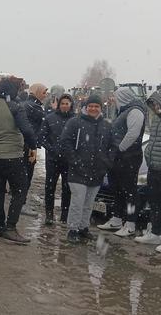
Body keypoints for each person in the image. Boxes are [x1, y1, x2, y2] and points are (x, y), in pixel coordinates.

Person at [0, 79, 37, 243]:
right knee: (20, 189)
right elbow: (27, 130)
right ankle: (11, 227)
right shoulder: (15, 107)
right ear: (13, 92)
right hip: (12, 156)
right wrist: (33, 146)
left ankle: (0, 227)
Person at [60, 95, 113, 243]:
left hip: (97, 172)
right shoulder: (75, 122)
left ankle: (83, 227)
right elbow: (65, 142)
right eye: (91, 106)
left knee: (89, 203)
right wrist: (75, 161)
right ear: (85, 107)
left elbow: (112, 146)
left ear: (101, 108)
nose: (93, 109)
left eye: (96, 106)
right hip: (78, 171)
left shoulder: (106, 126)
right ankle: (72, 229)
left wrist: (107, 163)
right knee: (77, 201)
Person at [97, 88, 146, 236]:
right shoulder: (123, 111)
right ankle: (117, 219)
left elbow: (133, 134)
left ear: (123, 97)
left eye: (116, 97)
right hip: (118, 158)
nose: (114, 100)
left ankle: (130, 224)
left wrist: (119, 148)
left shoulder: (135, 111)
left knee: (129, 191)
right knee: (117, 189)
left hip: (129, 157)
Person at [39, 94, 74, 225]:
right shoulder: (50, 118)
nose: (65, 106)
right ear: (59, 105)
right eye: (62, 103)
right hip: (53, 159)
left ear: (71, 105)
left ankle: (65, 215)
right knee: (50, 187)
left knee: (67, 188)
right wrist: (51, 149)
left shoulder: (75, 120)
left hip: (68, 160)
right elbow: (42, 137)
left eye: (67, 103)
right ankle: (49, 214)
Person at [136, 91, 161, 249]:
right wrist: (148, 155)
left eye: (157, 104)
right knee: (155, 202)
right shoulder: (155, 120)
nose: (155, 107)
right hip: (154, 168)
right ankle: (155, 233)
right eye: (153, 105)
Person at [21, 83, 48, 217]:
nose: (46, 95)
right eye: (44, 92)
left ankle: (20, 202)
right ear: (36, 92)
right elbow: (46, 120)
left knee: (25, 174)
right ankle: (21, 204)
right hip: (28, 146)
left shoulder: (29, 104)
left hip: (27, 144)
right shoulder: (33, 106)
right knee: (26, 175)